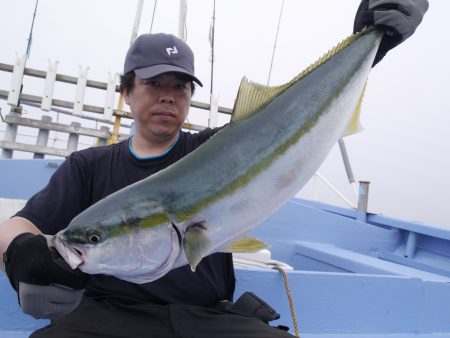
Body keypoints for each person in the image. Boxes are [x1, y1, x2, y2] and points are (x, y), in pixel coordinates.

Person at [0, 0, 429, 337]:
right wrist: (22, 253)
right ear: (127, 91)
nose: (169, 97)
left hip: (209, 318)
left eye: (180, 87)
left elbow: (289, 120)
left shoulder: (217, 150)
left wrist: (372, 43)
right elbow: (17, 225)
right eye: (154, 84)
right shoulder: (88, 167)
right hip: (109, 314)